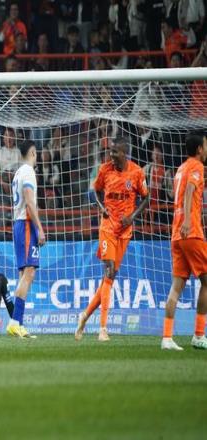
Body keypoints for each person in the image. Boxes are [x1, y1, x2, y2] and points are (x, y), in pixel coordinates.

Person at [75, 137, 149, 342]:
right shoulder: (104, 170)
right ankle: (103, 329)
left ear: (124, 153)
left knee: (110, 277)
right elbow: (95, 192)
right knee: (108, 272)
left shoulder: (137, 172)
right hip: (107, 227)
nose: (111, 154)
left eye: (115, 151)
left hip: (125, 231)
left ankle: (84, 316)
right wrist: (101, 208)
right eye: (110, 151)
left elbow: (146, 197)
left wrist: (132, 217)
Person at [161, 131, 207, 350]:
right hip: (191, 232)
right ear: (199, 149)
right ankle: (198, 335)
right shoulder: (197, 166)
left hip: (176, 234)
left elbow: (179, 191)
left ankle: (166, 338)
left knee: (176, 287)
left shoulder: (181, 168)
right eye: (206, 145)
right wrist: (189, 219)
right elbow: (189, 190)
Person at [6, 140, 46, 338]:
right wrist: (40, 228)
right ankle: (14, 322)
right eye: (36, 153)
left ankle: (18, 323)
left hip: (18, 224)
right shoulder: (29, 172)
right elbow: (30, 203)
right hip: (26, 224)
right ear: (32, 153)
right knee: (29, 272)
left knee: (24, 274)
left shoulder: (17, 173)